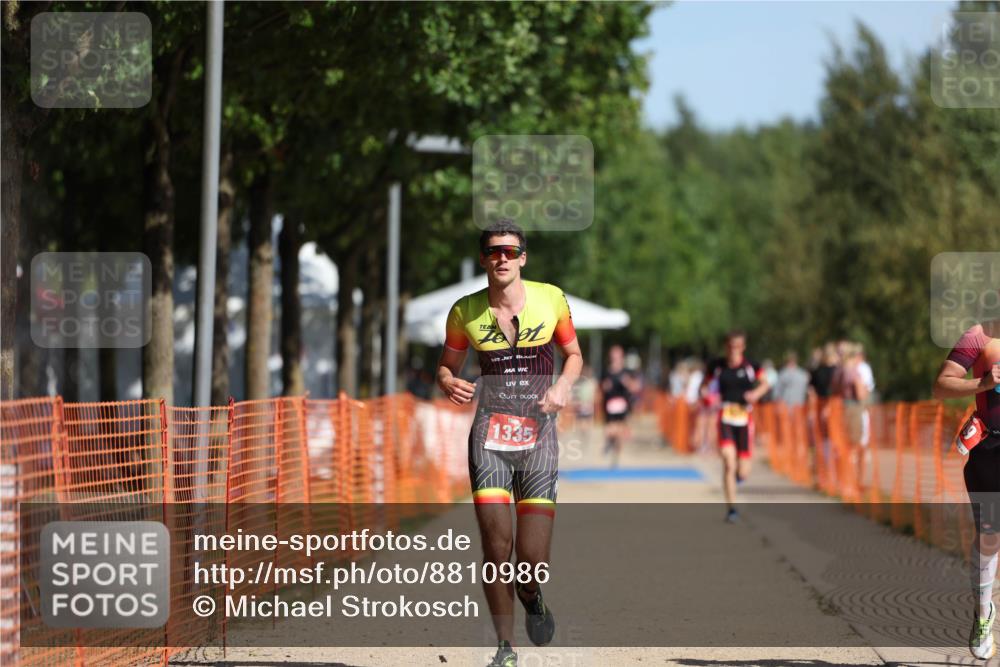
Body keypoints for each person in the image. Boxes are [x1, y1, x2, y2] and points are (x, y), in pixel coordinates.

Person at [437, 219, 582, 667]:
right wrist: (448, 381)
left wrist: (561, 389)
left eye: (509, 250)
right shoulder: (464, 312)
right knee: (496, 546)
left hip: (538, 437)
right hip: (489, 438)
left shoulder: (551, 298)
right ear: (483, 259)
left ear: (523, 258)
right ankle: (505, 645)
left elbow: (574, 355)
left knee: (531, 558)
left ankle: (532, 593)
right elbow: (446, 365)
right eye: (493, 251)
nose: (502, 257)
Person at [933, 320, 1000, 660]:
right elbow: (941, 386)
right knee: (990, 535)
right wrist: (983, 383)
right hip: (990, 450)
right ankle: (983, 612)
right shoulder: (979, 337)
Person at [702, 331, 770, 522]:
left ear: (743, 347)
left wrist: (755, 394)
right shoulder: (716, 366)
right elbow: (705, 386)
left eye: (738, 346)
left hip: (744, 419)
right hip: (725, 416)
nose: (734, 350)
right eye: (731, 346)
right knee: (728, 461)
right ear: (726, 346)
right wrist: (708, 396)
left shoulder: (751, 366)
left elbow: (766, 383)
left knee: (742, 471)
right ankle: (732, 509)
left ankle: (737, 478)